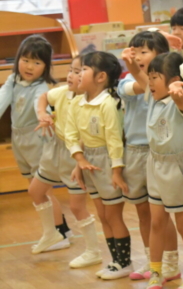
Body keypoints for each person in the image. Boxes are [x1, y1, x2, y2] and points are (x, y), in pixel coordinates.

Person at [0, 35, 72, 254]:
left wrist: (44, 115)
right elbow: (2, 100)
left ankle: (57, 235)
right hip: (19, 139)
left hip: (37, 138)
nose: (29, 66)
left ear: (46, 66)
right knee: (35, 186)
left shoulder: (40, 87)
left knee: (41, 190)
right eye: (25, 60)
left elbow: (40, 106)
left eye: (37, 62)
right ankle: (62, 230)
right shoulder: (13, 80)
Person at [119, 31, 181, 282]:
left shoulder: (166, 82)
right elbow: (141, 85)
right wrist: (132, 67)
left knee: (161, 214)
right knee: (143, 213)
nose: (137, 57)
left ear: (160, 55)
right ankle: (150, 259)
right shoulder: (126, 80)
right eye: (134, 52)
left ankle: (171, 263)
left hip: (159, 152)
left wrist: (135, 66)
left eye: (144, 52)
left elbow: (150, 83)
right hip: (134, 152)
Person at [64, 51, 131, 280]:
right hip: (89, 163)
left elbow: (114, 141)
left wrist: (116, 172)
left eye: (83, 70)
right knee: (102, 215)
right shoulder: (77, 102)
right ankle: (115, 261)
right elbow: (70, 134)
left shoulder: (108, 104)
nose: (77, 74)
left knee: (113, 216)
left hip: (107, 162)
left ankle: (124, 262)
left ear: (101, 77)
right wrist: (79, 160)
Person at [31, 56, 101, 267]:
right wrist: (43, 114)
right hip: (54, 149)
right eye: (71, 70)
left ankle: (93, 251)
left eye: (78, 72)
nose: (71, 75)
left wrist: (79, 158)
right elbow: (44, 96)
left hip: (75, 154)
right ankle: (51, 233)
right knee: (35, 191)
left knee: (77, 206)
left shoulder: (92, 102)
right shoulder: (63, 92)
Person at [144, 52, 183, 289]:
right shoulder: (154, 99)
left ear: (174, 80)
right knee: (157, 223)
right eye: (149, 77)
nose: (150, 82)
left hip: (178, 168)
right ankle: (156, 272)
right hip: (155, 164)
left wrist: (178, 93)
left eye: (155, 77)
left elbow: (182, 102)